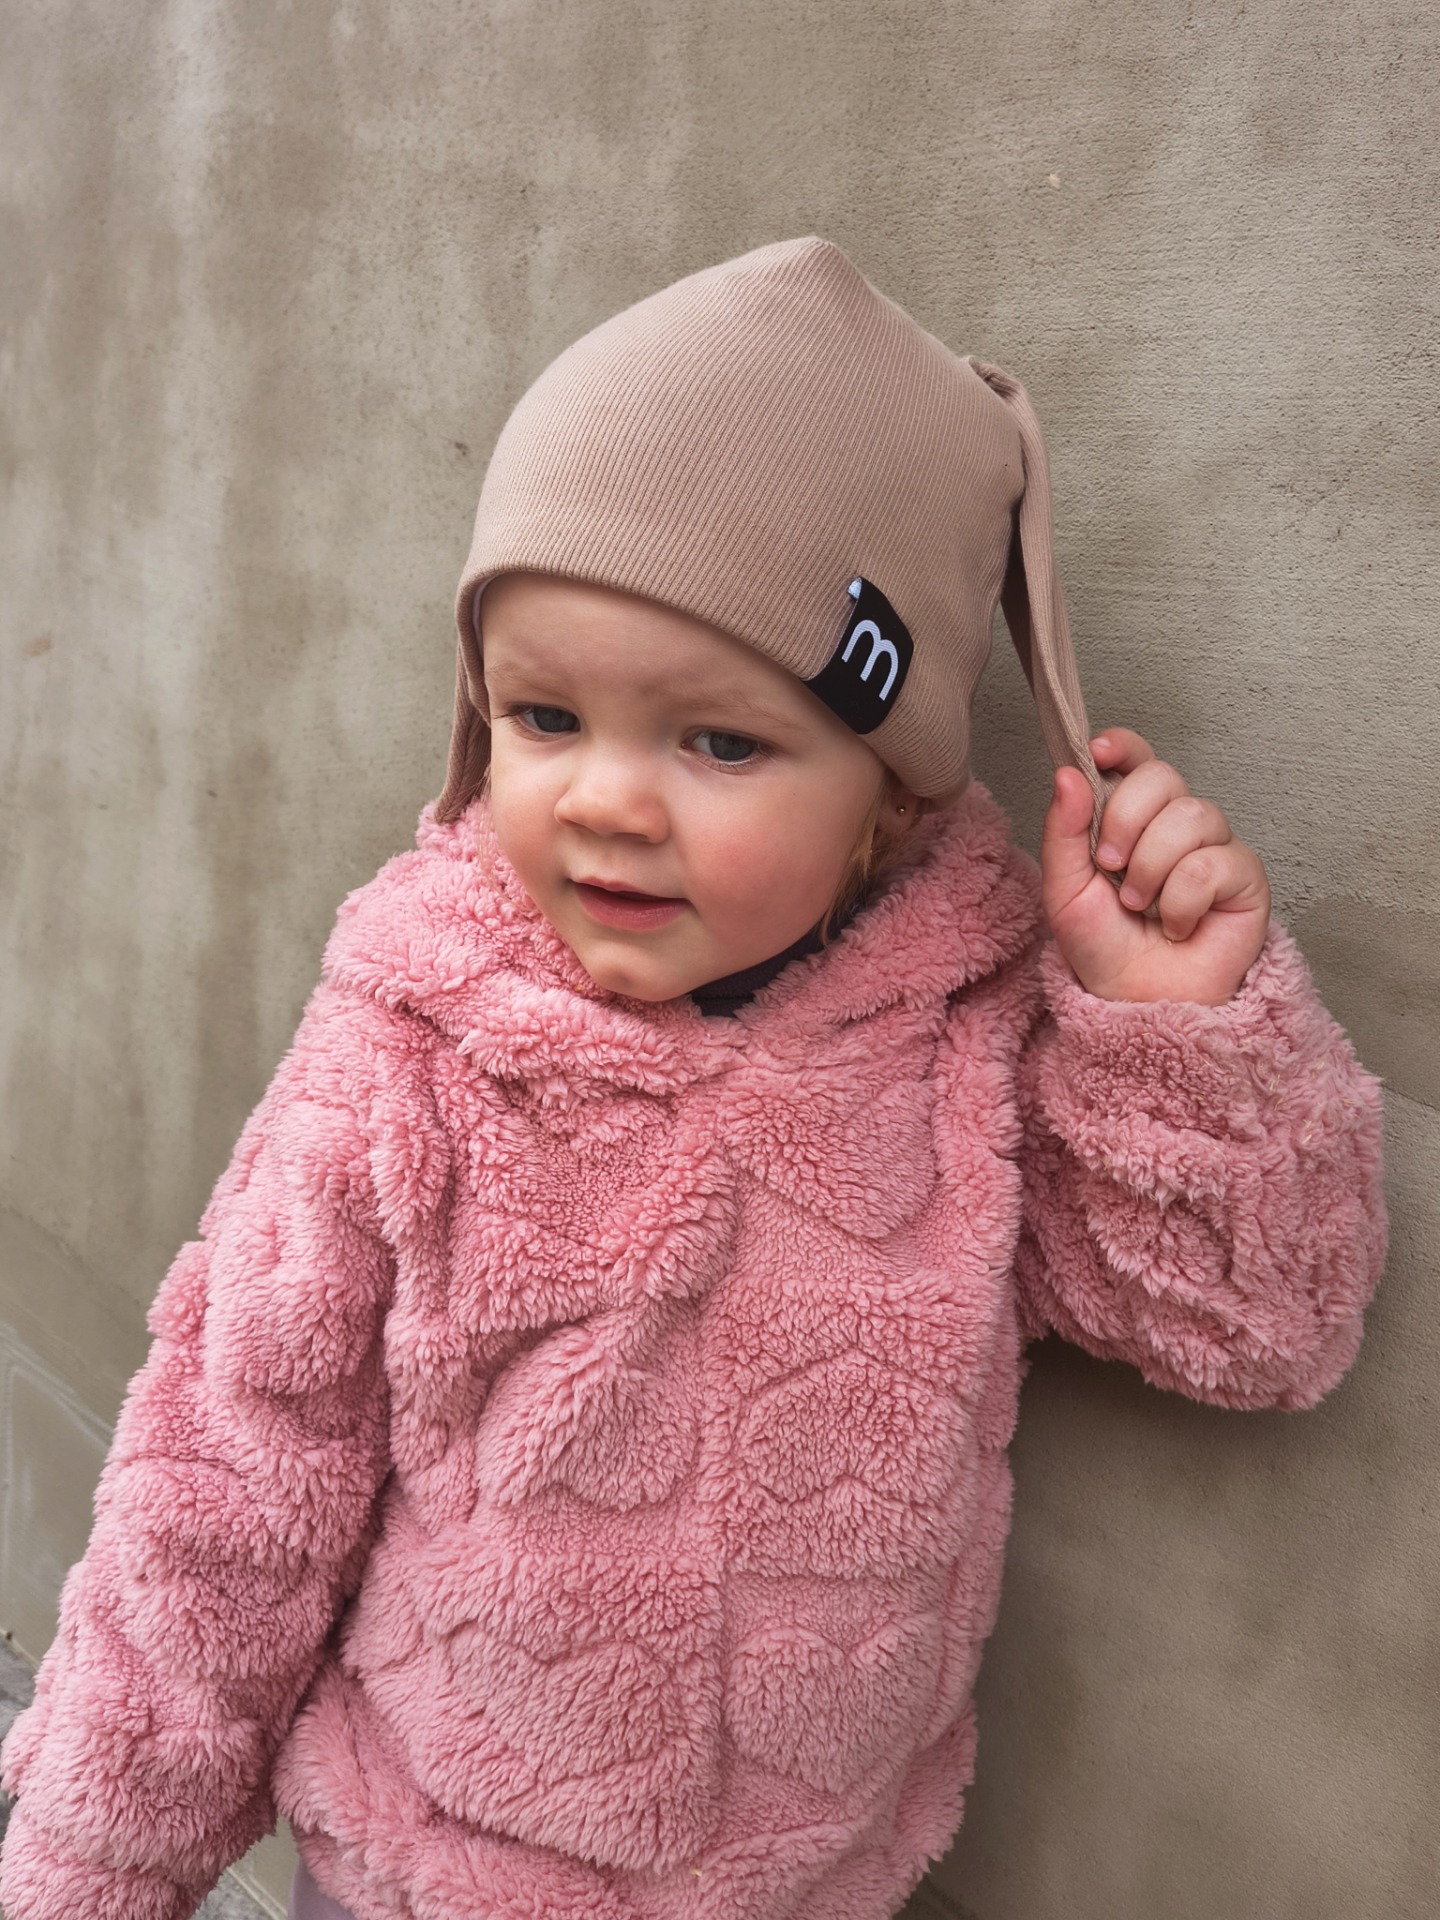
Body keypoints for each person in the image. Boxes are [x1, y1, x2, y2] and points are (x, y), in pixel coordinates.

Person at [0, 238, 1385, 1920]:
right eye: (543, 716)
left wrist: (1170, 1029)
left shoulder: (966, 1039)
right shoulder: (414, 1044)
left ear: (890, 787)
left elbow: (1256, 1330)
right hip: (430, 1882)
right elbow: (225, 1503)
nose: (603, 800)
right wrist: (87, 1873)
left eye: (719, 740)